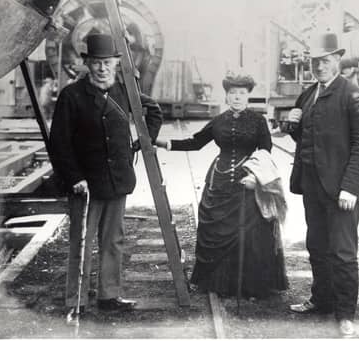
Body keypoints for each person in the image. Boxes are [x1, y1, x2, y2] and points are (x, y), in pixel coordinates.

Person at [49, 34, 163, 315]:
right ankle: (75, 300)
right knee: (82, 242)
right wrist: (74, 177)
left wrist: (140, 143)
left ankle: (109, 296)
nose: (101, 68)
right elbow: (59, 143)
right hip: (85, 186)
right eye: (96, 63)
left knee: (114, 241)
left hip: (117, 181)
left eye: (107, 62)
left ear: (115, 64)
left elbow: (154, 111)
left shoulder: (125, 92)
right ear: (86, 64)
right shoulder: (71, 95)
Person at [156, 73, 288, 298]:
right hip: (219, 181)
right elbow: (196, 143)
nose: (237, 97)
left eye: (242, 93)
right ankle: (218, 283)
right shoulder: (218, 121)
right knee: (215, 230)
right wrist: (159, 142)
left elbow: (265, 150)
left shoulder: (258, 121)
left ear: (248, 96)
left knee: (251, 233)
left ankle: (251, 286)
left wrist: (256, 178)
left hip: (248, 182)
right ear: (226, 96)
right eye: (233, 93)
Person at [286, 33, 359, 337]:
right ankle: (321, 301)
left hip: (341, 191)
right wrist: (293, 127)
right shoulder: (309, 94)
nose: (319, 67)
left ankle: (345, 314)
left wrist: (351, 187)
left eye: (324, 61)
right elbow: (306, 138)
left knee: (343, 253)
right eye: (314, 62)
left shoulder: (354, 95)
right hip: (312, 186)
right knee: (317, 247)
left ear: (337, 60)